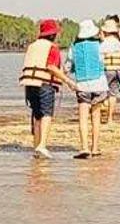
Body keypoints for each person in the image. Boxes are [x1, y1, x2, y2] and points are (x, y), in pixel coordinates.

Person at [19, 18, 78, 159]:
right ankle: (42, 146)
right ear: (53, 35)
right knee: (46, 114)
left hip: (30, 84)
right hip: (44, 85)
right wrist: (68, 81)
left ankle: (37, 146)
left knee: (37, 115)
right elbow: (51, 67)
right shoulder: (52, 48)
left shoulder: (32, 46)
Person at [67, 19, 111, 159]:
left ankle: (84, 147)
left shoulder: (74, 47)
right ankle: (95, 147)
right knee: (96, 116)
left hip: (82, 84)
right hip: (99, 83)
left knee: (83, 118)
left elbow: (67, 67)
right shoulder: (99, 45)